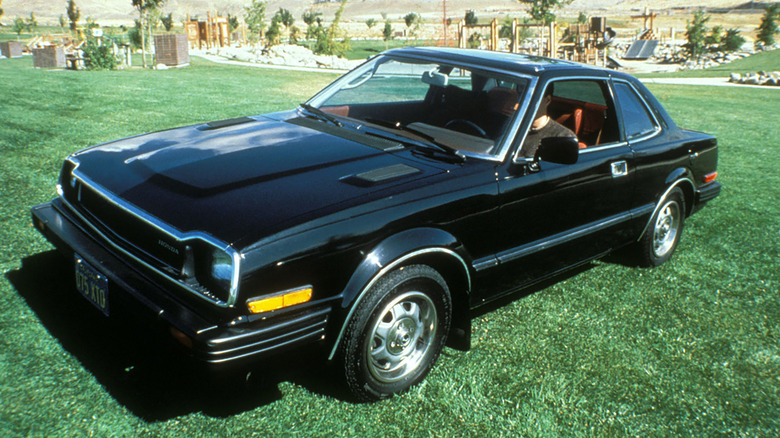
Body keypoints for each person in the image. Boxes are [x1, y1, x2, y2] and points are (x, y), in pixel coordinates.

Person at [519, 85, 577, 159]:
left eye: (531, 97)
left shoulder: (563, 137)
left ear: (547, 100)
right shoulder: (510, 127)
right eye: (521, 96)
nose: (524, 102)